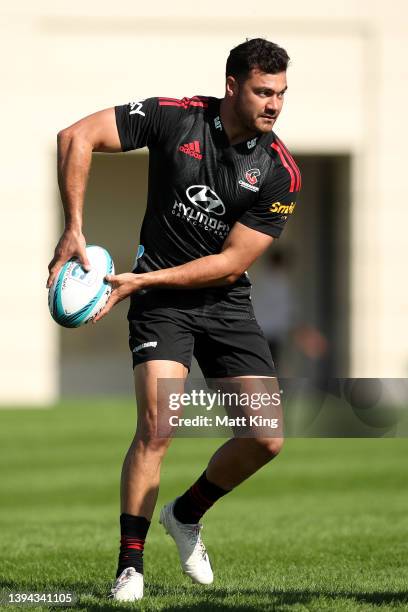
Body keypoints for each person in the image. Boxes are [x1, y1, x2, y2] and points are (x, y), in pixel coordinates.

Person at [47, 38, 301, 602]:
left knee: (267, 437)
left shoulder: (279, 172)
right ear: (232, 85)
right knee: (158, 428)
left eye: (282, 93)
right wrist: (74, 226)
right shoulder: (173, 118)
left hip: (223, 300)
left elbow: (232, 261)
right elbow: (76, 136)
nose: (274, 105)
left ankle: (185, 515)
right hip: (163, 306)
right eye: (263, 91)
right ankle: (130, 567)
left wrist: (141, 280)